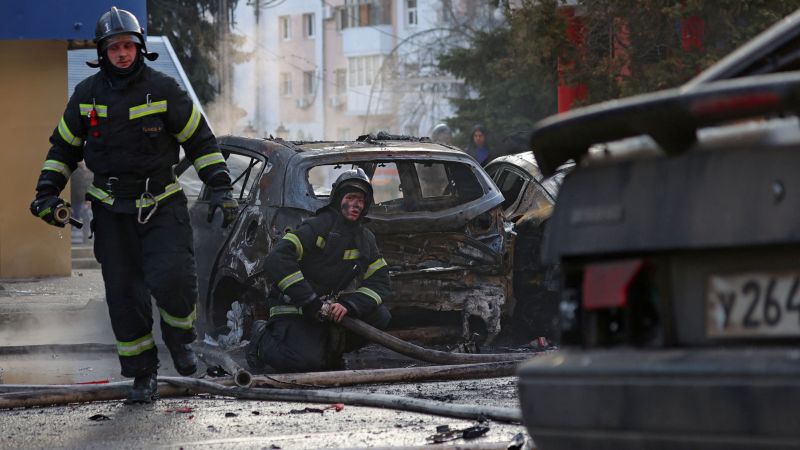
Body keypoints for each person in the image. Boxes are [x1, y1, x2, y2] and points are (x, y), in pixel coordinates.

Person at [28, 7, 238, 403]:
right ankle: (143, 374)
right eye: (114, 48)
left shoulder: (164, 89)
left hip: (162, 204)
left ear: (140, 48)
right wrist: (46, 193)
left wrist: (221, 189)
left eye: (128, 46)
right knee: (124, 296)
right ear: (102, 52)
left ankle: (180, 342)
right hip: (111, 211)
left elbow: (201, 142)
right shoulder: (86, 96)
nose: (122, 54)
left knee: (174, 281)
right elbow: (63, 150)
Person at [246, 168, 392, 372]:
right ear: (338, 200)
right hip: (294, 308)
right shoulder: (316, 227)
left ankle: (329, 353)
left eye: (361, 200)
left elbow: (381, 281)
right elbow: (276, 260)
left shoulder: (365, 238)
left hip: (326, 311)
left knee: (380, 315)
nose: (356, 204)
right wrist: (310, 300)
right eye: (350, 197)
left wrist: (349, 305)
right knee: (304, 363)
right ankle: (261, 339)